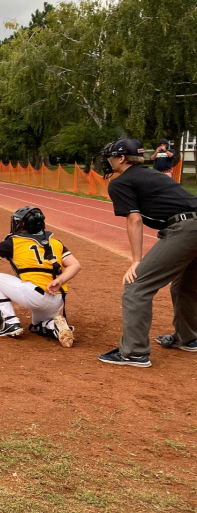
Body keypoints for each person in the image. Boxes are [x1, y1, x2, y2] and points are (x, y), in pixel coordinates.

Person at [97, 138, 197, 367]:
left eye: (111, 157)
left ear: (122, 158)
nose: (108, 161)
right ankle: (188, 338)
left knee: (136, 286)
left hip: (185, 229)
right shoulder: (154, 175)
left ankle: (133, 352)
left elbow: (134, 219)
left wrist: (136, 261)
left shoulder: (121, 182)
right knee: (185, 285)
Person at [0, 207, 80, 344]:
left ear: (22, 225)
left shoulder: (14, 242)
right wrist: (60, 279)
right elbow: (75, 265)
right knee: (39, 324)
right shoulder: (56, 243)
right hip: (57, 298)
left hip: (33, 295)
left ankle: (10, 323)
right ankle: (55, 326)